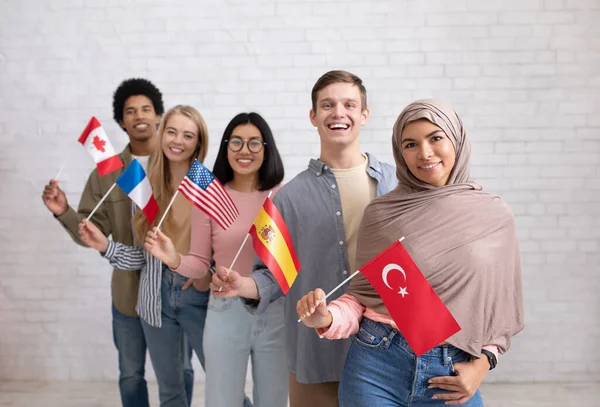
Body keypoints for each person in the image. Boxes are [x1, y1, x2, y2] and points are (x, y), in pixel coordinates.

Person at [296, 99, 524, 406]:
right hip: (375, 365)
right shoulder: (383, 214)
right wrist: (326, 316)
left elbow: (503, 309)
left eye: (435, 138)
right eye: (411, 144)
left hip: (451, 372)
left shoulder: (493, 216)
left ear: (456, 139)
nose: (425, 153)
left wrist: (482, 366)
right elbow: (362, 298)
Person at [211, 70, 397, 407]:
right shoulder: (286, 199)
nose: (338, 112)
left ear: (364, 115)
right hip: (317, 355)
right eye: (327, 105)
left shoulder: (397, 184)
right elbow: (272, 276)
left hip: (391, 353)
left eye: (349, 104)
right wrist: (241, 285)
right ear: (313, 116)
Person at [41, 78, 173, 407]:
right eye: (130, 111)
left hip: (172, 296)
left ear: (159, 116)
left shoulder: (177, 165)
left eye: (146, 109)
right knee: (130, 375)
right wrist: (64, 211)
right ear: (121, 121)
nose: (139, 115)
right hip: (127, 295)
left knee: (178, 373)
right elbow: (91, 231)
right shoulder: (107, 174)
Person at [146, 112, 287, 407]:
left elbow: (287, 266)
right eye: (235, 142)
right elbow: (198, 262)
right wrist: (174, 259)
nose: (244, 150)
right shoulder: (210, 196)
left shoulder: (283, 197)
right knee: (223, 400)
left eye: (253, 143)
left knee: (272, 400)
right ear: (225, 148)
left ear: (267, 148)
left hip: (274, 313)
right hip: (225, 310)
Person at [78, 105, 211, 407]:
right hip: (154, 303)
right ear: (162, 134)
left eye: (188, 135)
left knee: (222, 381)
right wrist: (104, 246)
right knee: (171, 391)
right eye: (172, 132)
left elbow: (224, 245)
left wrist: (206, 275)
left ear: (198, 143)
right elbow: (142, 258)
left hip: (197, 299)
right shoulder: (146, 186)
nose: (177, 141)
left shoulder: (206, 185)